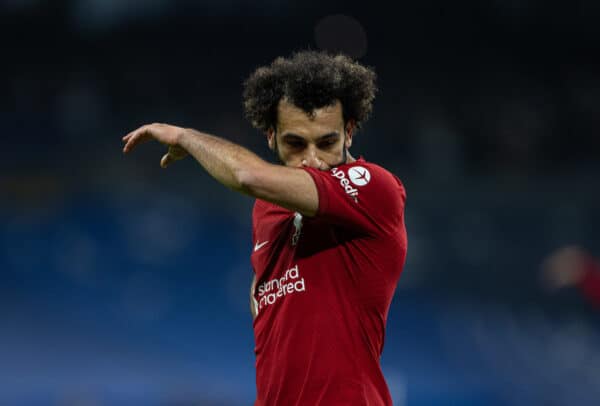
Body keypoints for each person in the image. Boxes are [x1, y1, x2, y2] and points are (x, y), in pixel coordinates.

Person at [122, 51, 407, 405]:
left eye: (327, 142)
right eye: (296, 143)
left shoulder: (372, 187)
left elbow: (247, 175)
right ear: (271, 136)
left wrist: (186, 138)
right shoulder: (268, 210)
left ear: (349, 132)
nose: (313, 160)